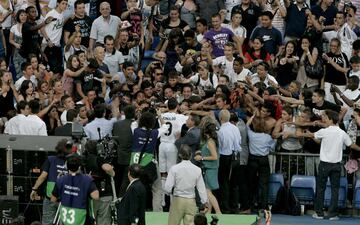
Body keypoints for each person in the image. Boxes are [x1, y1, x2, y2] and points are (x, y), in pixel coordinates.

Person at [303, 110, 352, 220]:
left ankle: (319, 213)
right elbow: (350, 144)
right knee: (335, 189)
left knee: (320, 188)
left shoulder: (324, 131)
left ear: (330, 119)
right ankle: (333, 214)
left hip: (324, 164)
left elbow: (312, 135)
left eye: (325, 117)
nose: (324, 119)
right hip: (336, 165)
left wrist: (304, 132)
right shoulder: (342, 133)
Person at [30, 139, 72, 225]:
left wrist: (34, 189)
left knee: (47, 221)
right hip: (65, 198)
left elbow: (43, 176)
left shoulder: (50, 159)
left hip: (50, 196)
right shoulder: (72, 161)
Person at [164, 144, 208, 225]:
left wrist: (168, 193)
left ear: (180, 155)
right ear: (191, 155)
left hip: (178, 200)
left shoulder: (174, 169)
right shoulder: (197, 170)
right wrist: (205, 201)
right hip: (191, 201)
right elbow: (201, 188)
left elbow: (167, 188)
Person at [51, 153, 99, 225]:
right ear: (79, 167)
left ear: (67, 166)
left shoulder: (60, 180)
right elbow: (96, 196)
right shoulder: (87, 180)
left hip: (65, 218)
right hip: (81, 218)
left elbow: (53, 199)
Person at [84, 140, 116, 225]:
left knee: (91, 219)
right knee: (104, 219)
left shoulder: (84, 160)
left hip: (89, 195)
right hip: (104, 194)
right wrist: (113, 173)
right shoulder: (99, 159)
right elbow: (108, 168)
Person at [216, 109, 242, 213]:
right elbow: (239, 141)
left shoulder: (221, 131)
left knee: (224, 183)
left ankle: (225, 207)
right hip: (236, 156)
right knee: (234, 183)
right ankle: (234, 206)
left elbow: (222, 146)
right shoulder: (235, 128)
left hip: (225, 157)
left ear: (220, 118)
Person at [194, 122, 221, 214]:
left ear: (206, 132)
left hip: (210, 169)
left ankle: (218, 212)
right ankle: (209, 211)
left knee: (207, 193)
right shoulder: (211, 141)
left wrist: (201, 158)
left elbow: (214, 156)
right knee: (207, 192)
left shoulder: (210, 142)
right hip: (209, 168)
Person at [112, 105, 136, 196]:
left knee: (118, 180)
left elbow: (115, 138)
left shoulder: (117, 124)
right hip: (130, 157)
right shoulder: (136, 125)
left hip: (118, 156)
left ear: (124, 114)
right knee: (126, 182)